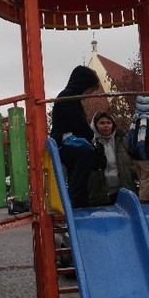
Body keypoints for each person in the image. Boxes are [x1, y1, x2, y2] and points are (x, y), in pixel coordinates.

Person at [50, 65, 102, 208]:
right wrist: (90, 135)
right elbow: (78, 124)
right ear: (83, 85)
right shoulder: (69, 97)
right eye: (90, 90)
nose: (89, 94)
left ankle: (80, 199)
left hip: (65, 141)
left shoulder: (69, 96)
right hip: (63, 141)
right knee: (85, 154)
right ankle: (76, 198)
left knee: (77, 165)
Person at [88, 111, 137, 206]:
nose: (106, 126)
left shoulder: (123, 141)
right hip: (99, 194)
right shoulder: (90, 144)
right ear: (95, 125)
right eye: (102, 123)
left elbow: (132, 163)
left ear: (113, 125)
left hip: (122, 191)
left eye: (108, 123)